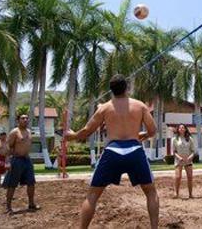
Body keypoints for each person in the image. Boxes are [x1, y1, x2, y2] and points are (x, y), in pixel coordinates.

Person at [65, 74, 159, 229]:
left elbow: (87, 131)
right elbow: (153, 130)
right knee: (150, 192)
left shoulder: (105, 108)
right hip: (135, 151)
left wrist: (72, 136)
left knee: (92, 195)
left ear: (111, 90)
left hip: (112, 151)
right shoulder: (140, 106)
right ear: (127, 88)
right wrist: (142, 135)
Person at [3, 115, 39, 214]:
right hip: (16, 160)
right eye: (23, 118)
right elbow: (8, 147)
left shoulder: (28, 131)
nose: (25, 120)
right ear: (18, 120)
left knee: (31, 182)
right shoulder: (14, 132)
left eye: (27, 118)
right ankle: (8, 207)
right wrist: (7, 162)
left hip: (27, 159)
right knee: (12, 184)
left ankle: (31, 204)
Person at [173, 124, 195, 198]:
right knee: (178, 177)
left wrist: (190, 157)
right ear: (178, 129)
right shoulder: (174, 139)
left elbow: (193, 151)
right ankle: (176, 193)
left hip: (188, 161)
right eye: (180, 128)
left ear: (185, 129)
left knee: (190, 177)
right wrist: (179, 158)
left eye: (183, 128)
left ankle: (190, 194)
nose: (181, 129)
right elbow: (174, 152)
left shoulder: (190, 139)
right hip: (179, 161)